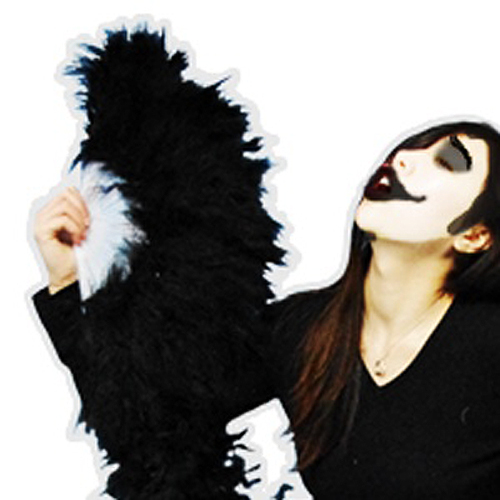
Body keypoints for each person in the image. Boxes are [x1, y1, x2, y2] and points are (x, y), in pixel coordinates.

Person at [33, 119, 500, 499]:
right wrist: (68, 282)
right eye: (413, 147)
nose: (404, 158)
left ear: (475, 236)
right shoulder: (305, 330)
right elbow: (152, 428)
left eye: (448, 161)